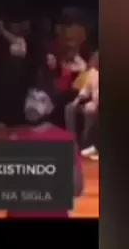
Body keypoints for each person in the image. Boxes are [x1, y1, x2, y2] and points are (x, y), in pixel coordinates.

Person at [7, 87, 84, 218]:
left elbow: (76, 190)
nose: (33, 104)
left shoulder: (64, 140)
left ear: (50, 108)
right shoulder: (15, 138)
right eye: (31, 97)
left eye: (42, 100)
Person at [65, 51, 99, 158]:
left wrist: (95, 104)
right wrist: (77, 100)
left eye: (95, 60)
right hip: (92, 103)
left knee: (89, 110)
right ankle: (72, 138)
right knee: (70, 108)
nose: (93, 62)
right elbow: (85, 90)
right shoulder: (92, 72)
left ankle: (87, 142)